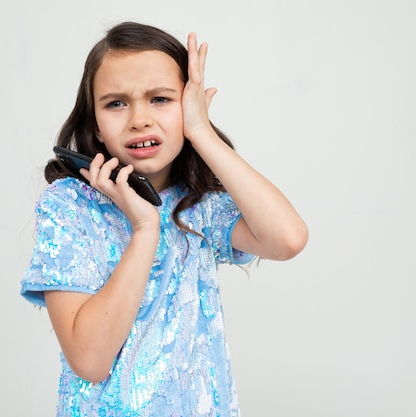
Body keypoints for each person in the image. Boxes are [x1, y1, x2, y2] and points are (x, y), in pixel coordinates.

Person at [20, 21, 308, 417]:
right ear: (96, 128)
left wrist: (201, 132)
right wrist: (144, 229)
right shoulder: (71, 207)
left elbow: (288, 238)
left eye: (160, 99)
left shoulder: (200, 204)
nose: (139, 119)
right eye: (116, 103)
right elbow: (89, 360)